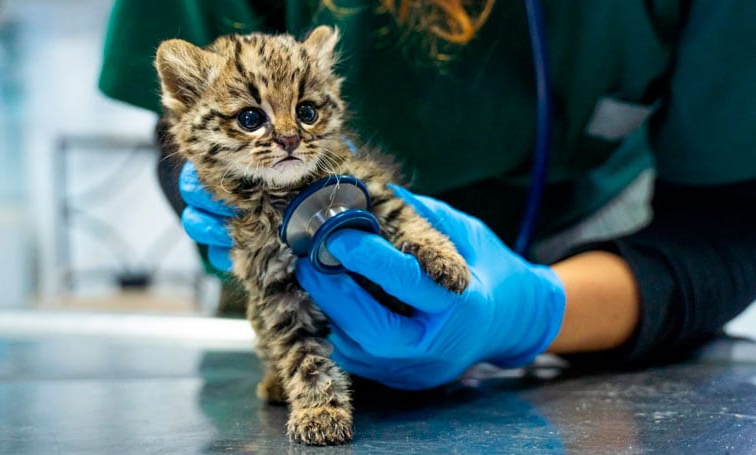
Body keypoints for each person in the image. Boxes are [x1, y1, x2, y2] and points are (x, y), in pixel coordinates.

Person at [99, 0, 756, 389]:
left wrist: (539, 310)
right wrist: (239, 220)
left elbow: (728, 215)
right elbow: (188, 117)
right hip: (293, 257)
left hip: (597, 263)